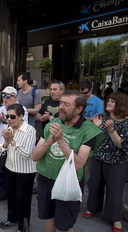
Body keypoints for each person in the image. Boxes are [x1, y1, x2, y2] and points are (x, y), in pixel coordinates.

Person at [32, 90, 104, 232]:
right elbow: (34, 156)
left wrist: (60, 140)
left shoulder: (89, 130)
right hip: (46, 180)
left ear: (79, 109)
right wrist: (48, 143)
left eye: (66, 104)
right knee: (48, 220)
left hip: (68, 183)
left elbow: (78, 164)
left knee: (65, 227)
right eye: (61, 103)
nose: (61, 107)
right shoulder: (52, 124)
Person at [83, 92, 128, 232]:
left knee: (115, 190)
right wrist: (96, 127)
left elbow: (121, 145)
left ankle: (115, 218)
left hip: (117, 161)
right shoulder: (102, 118)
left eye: (113, 101)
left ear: (120, 104)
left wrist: (111, 130)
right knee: (94, 184)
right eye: (108, 100)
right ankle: (94, 208)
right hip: (98, 158)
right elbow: (95, 140)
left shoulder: (126, 122)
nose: (108, 102)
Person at [0, 104, 36, 232]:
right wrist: (6, 142)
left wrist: (12, 142)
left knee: (23, 200)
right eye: (7, 116)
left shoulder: (30, 130)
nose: (9, 119)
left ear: (21, 116)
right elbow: (0, 148)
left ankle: (23, 226)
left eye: (12, 116)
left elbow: (27, 154)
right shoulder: (8, 127)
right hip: (10, 167)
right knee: (11, 196)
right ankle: (12, 219)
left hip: (25, 171)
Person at [0, 86, 28, 203]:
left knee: (12, 173)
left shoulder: (22, 109)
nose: (5, 98)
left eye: (8, 96)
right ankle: (1, 193)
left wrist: (3, 120)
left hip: (13, 147)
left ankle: (13, 194)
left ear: (15, 97)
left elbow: (22, 127)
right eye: (3, 95)